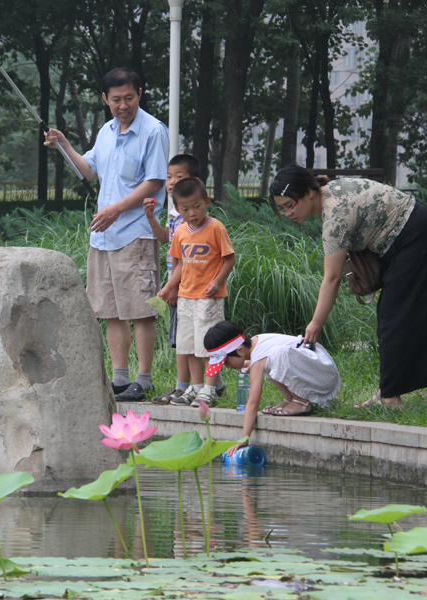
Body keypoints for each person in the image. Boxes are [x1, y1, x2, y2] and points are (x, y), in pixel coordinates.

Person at [269, 165, 427, 408]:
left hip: (420, 237)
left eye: (290, 204)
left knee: (393, 316)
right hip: (421, 230)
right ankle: (388, 392)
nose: (288, 213)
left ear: (309, 193)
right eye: (282, 208)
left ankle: (390, 398)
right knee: (394, 315)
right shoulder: (332, 192)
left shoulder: (335, 216)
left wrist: (315, 324)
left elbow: (332, 278)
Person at [43, 68, 169, 402]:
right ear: (105, 100)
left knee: (140, 309)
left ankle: (143, 379)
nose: (123, 105)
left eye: (129, 97)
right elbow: (88, 169)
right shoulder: (106, 131)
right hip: (104, 237)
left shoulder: (153, 131)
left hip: (135, 234)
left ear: (139, 94)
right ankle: (120, 379)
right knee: (110, 310)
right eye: (116, 100)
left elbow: (154, 181)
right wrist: (64, 144)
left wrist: (115, 209)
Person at [142, 156, 228, 402]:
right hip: (183, 291)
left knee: (205, 342)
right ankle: (198, 386)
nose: (172, 182)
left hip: (201, 292)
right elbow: (172, 250)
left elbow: (226, 258)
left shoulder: (212, 226)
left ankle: (204, 387)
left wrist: (214, 281)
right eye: (169, 177)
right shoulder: (177, 219)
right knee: (185, 342)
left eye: (179, 176)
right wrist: (170, 286)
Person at [204, 320, 341, 455]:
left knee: (276, 355)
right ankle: (290, 398)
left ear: (239, 349)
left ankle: (301, 402)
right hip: (317, 372)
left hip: (324, 375)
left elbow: (252, 403)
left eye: (226, 361)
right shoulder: (256, 344)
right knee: (268, 360)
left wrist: (244, 438)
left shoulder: (259, 357)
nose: (227, 366)